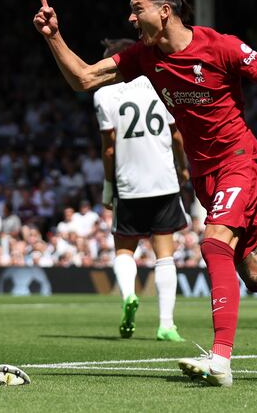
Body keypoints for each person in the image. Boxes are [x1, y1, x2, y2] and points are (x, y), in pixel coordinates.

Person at [32, 0, 257, 387]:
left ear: (164, 11)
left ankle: (221, 359)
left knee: (213, 242)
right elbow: (83, 79)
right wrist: (54, 37)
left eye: (138, 9)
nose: (131, 17)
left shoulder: (221, 46)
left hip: (240, 161)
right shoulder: (143, 56)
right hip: (206, 175)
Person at [94, 37, 189, 342]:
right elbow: (177, 136)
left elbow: (109, 149)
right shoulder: (161, 86)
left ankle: (128, 296)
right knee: (165, 256)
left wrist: (108, 187)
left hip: (129, 183)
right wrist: (183, 166)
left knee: (124, 249)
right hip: (163, 180)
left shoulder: (104, 94)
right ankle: (166, 325)